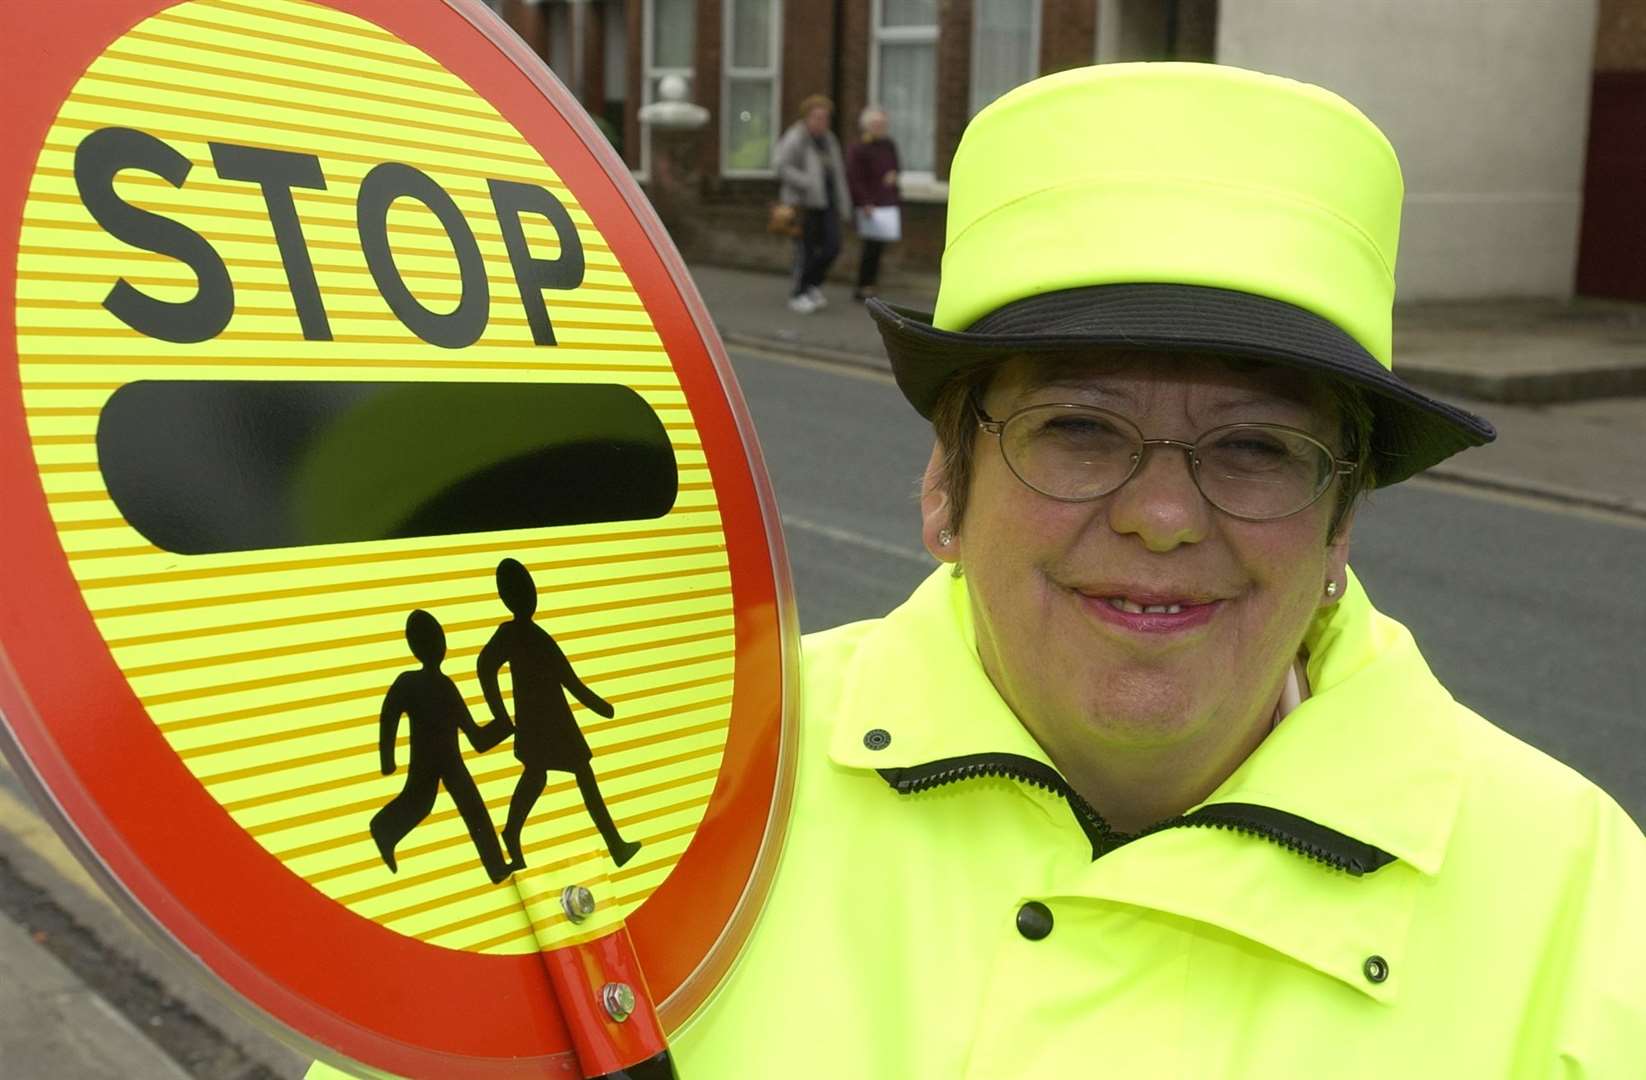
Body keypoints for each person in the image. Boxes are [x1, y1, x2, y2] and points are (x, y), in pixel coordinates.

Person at [668, 64, 1646, 1075]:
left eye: (1257, 448)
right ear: (944, 491)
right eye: (1081, 428)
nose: (1163, 517)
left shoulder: (1589, 913)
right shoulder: (683, 789)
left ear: (1337, 527)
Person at [477, 558, 640, 870]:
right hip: (543, 722)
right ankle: (615, 845)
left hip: (553, 720)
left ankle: (512, 833)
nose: (530, 597)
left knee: (537, 776)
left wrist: (599, 706)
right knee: (573, 772)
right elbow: (485, 666)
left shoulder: (537, 635)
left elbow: (569, 679)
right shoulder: (512, 634)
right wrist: (501, 715)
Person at [368, 609, 513, 884]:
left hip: (450, 760)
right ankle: (383, 828)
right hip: (427, 761)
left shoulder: (446, 686)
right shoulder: (409, 683)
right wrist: (387, 760)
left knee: (474, 811)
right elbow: (389, 717)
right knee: (421, 803)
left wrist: (506, 726)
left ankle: (495, 868)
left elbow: (476, 738)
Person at [773, 93, 849, 314]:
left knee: (832, 248)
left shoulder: (829, 140)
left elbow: (838, 174)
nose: (821, 122)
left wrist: (844, 204)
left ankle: (812, 285)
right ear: (806, 117)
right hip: (803, 204)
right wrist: (807, 182)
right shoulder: (796, 137)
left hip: (827, 203)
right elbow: (780, 166)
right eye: (816, 117)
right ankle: (798, 294)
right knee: (806, 251)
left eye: (825, 118)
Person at [845, 105, 900, 301]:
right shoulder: (859, 148)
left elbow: (895, 166)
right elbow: (855, 178)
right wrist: (864, 201)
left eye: (883, 124)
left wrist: (894, 177)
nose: (881, 128)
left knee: (880, 246)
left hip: (886, 202)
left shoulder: (888, 145)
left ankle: (871, 283)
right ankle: (863, 285)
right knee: (870, 246)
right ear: (867, 126)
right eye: (877, 124)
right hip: (870, 204)